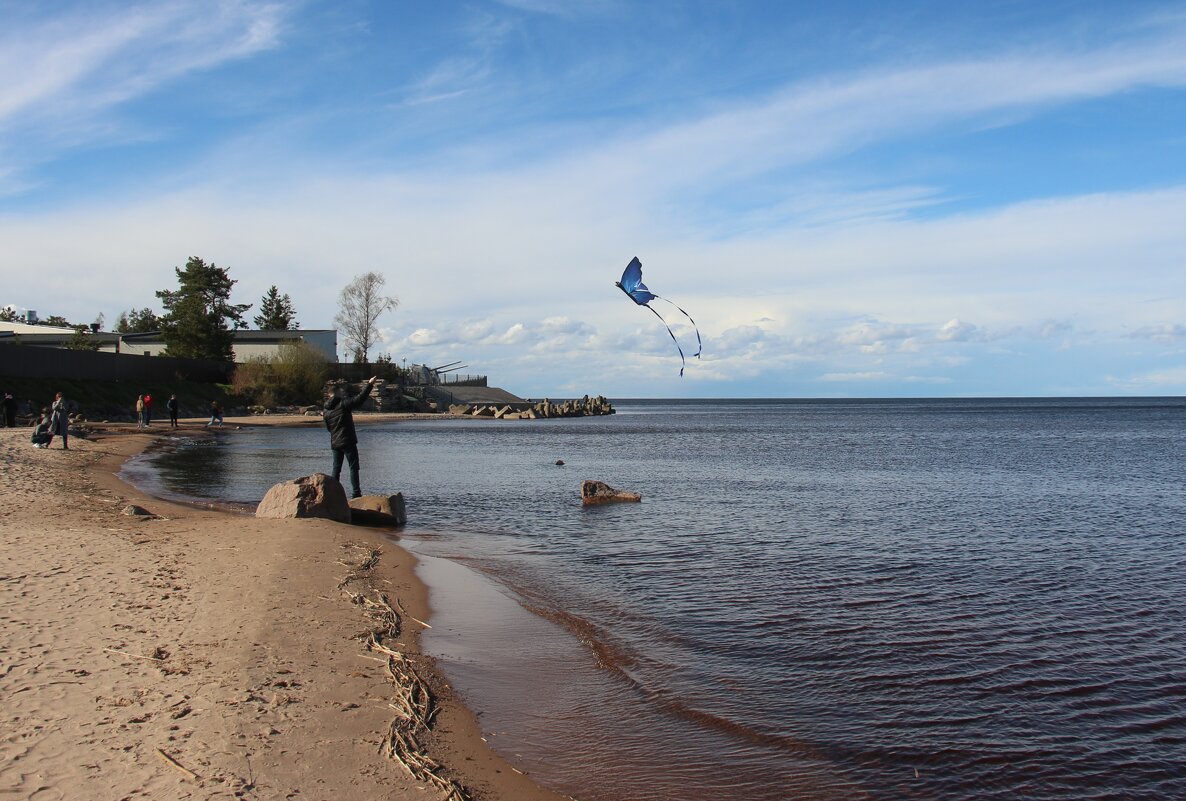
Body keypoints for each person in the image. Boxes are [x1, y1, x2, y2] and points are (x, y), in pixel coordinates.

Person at [323, 376, 378, 499]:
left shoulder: (326, 410)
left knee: (336, 469)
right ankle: (356, 494)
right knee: (353, 467)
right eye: (340, 391)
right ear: (337, 392)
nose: (342, 393)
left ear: (328, 394)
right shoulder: (343, 403)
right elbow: (359, 399)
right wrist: (369, 384)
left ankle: (333, 494)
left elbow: (328, 428)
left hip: (335, 442)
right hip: (347, 441)